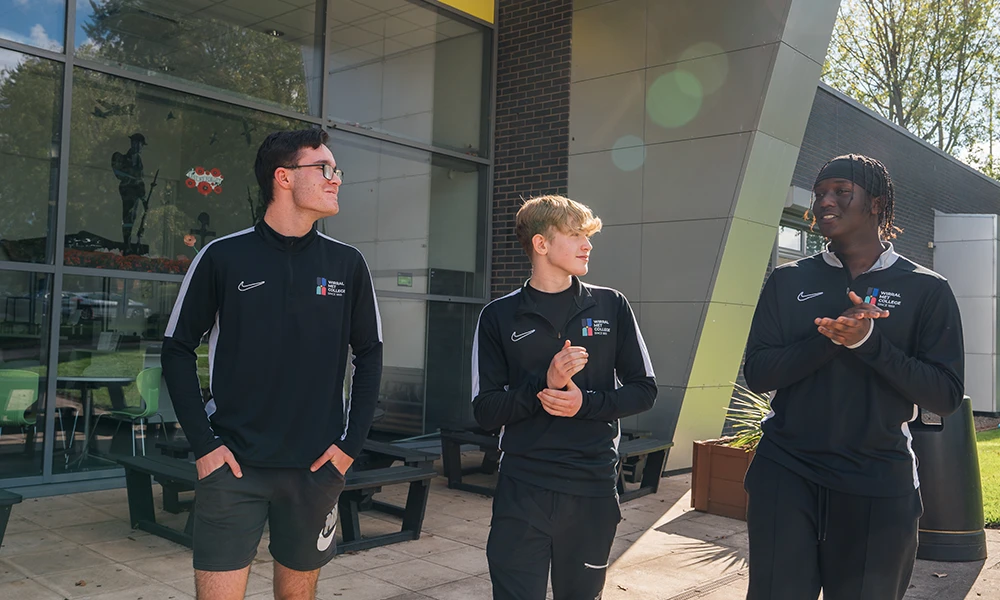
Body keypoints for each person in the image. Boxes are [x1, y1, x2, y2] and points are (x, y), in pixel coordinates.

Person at [162, 129, 383, 600]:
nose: (335, 179)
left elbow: (370, 355)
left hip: (316, 471)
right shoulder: (223, 256)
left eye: (336, 170)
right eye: (323, 168)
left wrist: (349, 448)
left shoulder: (348, 264)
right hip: (233, 468)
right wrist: (205, 446)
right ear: (283, 177)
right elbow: (177, 348)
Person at [743, 154, 965, 600]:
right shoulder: (788, 280)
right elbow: (759, 373)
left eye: (841, 192)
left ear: (877, 204)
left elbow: (944, 395)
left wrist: (869, 343)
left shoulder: (926, 288)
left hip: (878, 480)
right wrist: (830, 339)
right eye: (820, 193)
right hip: (786, 471)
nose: (825, 201)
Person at [472, 195, 657, 600]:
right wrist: (546, 386)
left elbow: (645, 390)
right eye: (575, 235)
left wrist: (584, 404)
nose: (587, 245)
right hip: (523, 489)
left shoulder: (611, 305)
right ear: (541, 244)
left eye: (587, 235)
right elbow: (485, 412)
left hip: (591, 487)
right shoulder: (499, 316)